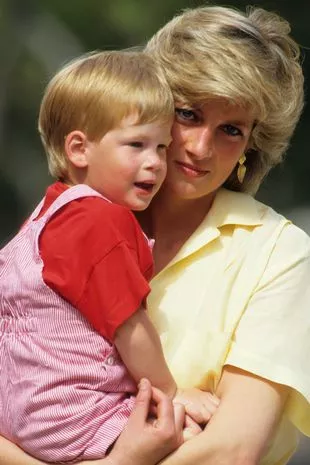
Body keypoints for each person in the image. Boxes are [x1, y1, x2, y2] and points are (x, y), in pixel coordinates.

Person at [1, 3, 310, 465]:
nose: (200, 147)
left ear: (252, 145)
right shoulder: (66, 219)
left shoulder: (280, 253)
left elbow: (231, 451)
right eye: (187, 114)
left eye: (231, 129)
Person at [0, 50, 217, 463]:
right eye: (137, 145)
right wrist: (172, 393)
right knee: (193, 437)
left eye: (162, 147)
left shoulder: (45, 217)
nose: (155, 163)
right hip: (75, 418)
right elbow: (128, 326)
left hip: (17, 420)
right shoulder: (100, 220)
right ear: (79, 149)